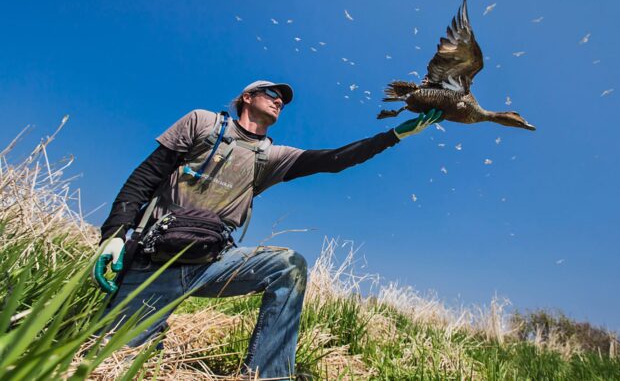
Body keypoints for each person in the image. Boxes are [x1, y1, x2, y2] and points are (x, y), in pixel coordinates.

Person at [93, 80, 443, 379]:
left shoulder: (271, 156)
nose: (279, 100)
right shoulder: (201, 123)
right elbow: (143, 178)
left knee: (288, 266)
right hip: (154, 262)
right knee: (115, 359)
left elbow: (334, 160)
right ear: (247, 97)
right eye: (272, 93)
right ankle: (148, 335)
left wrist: (394, 134)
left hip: (212, 264)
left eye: (283, 99)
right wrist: (114, 236)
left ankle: (267, 374)